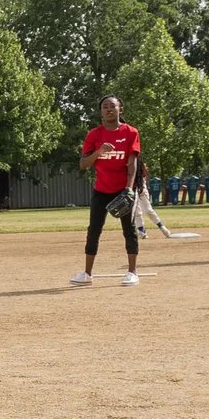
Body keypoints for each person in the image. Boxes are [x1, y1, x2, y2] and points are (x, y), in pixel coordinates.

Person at [72, 96, 141, 287]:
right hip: (101, 190)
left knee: (129, 230)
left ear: (121, 109)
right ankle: (87, 274)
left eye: (113, 106)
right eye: (105, 107)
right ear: (101, 112)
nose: (109, 109)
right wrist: (99, 152)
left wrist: (129, 188)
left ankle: (132, 272)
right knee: (93, 230)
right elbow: (84, 164)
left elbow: (133, 163)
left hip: (123, 190)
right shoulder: (94, 134)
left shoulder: (131, 132)